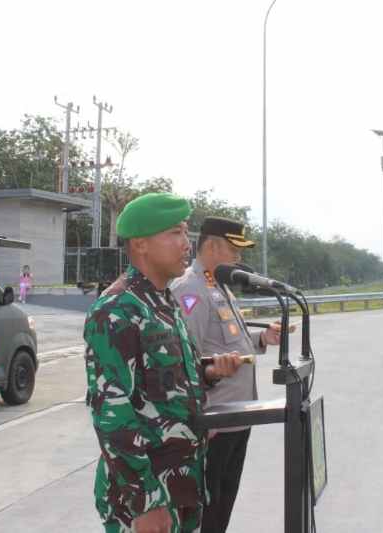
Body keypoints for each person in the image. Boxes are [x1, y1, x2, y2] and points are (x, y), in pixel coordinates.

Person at [84, 193, 244, 533]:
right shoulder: (118, 309)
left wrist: (208, 372)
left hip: (182, 483)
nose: (187, 244)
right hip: (148, 494)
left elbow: (162, 377)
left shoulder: (162, 300)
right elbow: (112, 412)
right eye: (175, 233)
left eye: (186, 233)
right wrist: (146, 501)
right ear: (141, 245)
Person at [170, 216, 290, 533]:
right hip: (214, 422)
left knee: (223, 502)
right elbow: (186, 355)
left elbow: (229, 337)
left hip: (237, 416)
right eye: (234, 250)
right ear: (211, 245)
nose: (239, 258)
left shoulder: (218, 286)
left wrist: (262, 339)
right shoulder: (189, 290)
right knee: (208, 506)